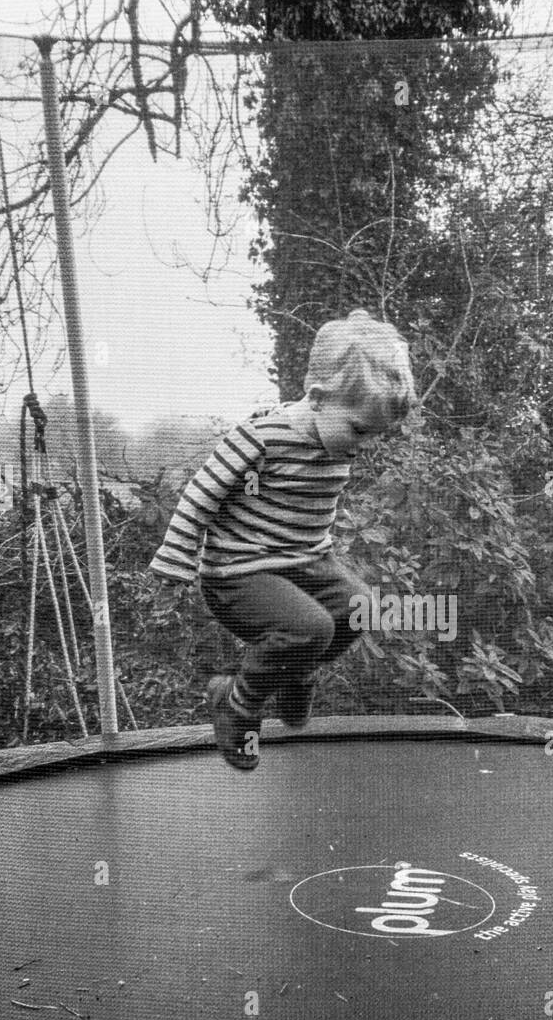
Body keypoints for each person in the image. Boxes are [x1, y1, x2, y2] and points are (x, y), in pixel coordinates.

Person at [149, 309, 418, 769]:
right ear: (316, 398)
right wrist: (175, 560)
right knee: (309, 628)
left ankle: (296, 671)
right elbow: (199, 495)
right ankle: (235, 702)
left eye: (373, 435)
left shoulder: (338, 436)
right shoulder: (260, 438)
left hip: (305, 564)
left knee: (360, 607)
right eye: (357, 429)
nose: (361, 445)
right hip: (239, 573)